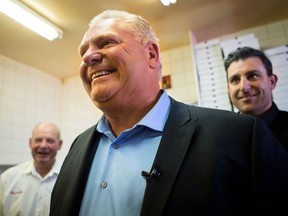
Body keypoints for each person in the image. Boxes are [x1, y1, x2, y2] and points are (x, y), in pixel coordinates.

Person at [50, 10, 288, 216]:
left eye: (107, 43)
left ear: (152, 54)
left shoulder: (241, 136)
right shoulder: (77, 147)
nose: (88, 57)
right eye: (84, 52)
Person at [224, 46, 288, 152]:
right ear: (229, 89)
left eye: (252, 76)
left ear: (271, 82)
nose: (244, 87)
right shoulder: (221, 136)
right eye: (235, 79)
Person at [0, 122, 63, 216]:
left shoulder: (69, 179)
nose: (43, 146)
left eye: (50, 141)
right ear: (30, 143)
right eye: (38, 140)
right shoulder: (7, 178)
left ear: (60, 144)